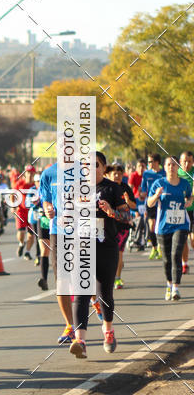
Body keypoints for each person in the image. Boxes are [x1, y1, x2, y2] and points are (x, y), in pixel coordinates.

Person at [69, 152, 130, 359]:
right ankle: (81, 341)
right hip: (82, 247)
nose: (90, 168)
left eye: (95, 165)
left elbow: (127, 217)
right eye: (85, 165)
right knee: (81, 294)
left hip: (106, 247)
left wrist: (111, 211)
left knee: (105, 294)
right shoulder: (75, 188)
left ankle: (108, 331)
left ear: (103, 168)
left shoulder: (112, 188)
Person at [147, 156, 194, 300]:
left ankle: (175, 288)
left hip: (181, 224)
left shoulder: (185, 183)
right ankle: (169, 284)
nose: (171, 167)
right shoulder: (159, 183)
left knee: (176, 254)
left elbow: (191, 196)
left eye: (174, 165)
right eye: (169, 165)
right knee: (167, 259)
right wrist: (156, 195)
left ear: (177, 167)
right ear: (165, 166)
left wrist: (188, 201)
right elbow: (149, 203)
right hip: (163, 227)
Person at [39, 162, 76, 343]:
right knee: (62, 279)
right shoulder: (49, 173)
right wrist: (47, 208)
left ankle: (95, 301)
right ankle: (70, 326)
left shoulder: (84, 171)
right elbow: (45, 198)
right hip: (58, 232)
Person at [110, 163, 136, 289]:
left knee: (118, 253)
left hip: (123, 226)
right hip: (108, 226)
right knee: (109, 254)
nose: (117, 176)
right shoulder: (106, 187)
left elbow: (134, 206)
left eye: (119, 174)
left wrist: (127, 201)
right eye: (114, 173)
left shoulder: (126, 188)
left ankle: (117, 278)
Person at [140, 153, 163, 259]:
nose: (148, 163)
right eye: (148, 161)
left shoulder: (164, 173)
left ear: (157, 162)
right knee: (151, 226)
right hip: (150, 203)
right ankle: (154, 248)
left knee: (160, 226)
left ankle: (160, 246)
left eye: (150, 161)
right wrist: (142, 194)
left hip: (162, 203)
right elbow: (143, 188)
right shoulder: (146, 173)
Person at [14, 165, 36, 259]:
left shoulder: (35, 185)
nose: (29, 175)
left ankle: (27, 252)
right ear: (25, 173)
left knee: (31, 235)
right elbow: (13, 194)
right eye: (28, 172)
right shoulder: (20, 184)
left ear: (34, 174)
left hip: (32, 212)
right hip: (21, 211)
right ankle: (21, 244)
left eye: (31, 173)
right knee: (21, 232)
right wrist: (13, 206)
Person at [177, 151, 194, 273]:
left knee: (193, 240)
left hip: (193, 210)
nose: (187, 164)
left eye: (189, 161)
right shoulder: (176, 173)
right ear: (180, 162)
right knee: (183, 240)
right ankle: (185, 264)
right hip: (181, 211)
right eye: (184, 161)